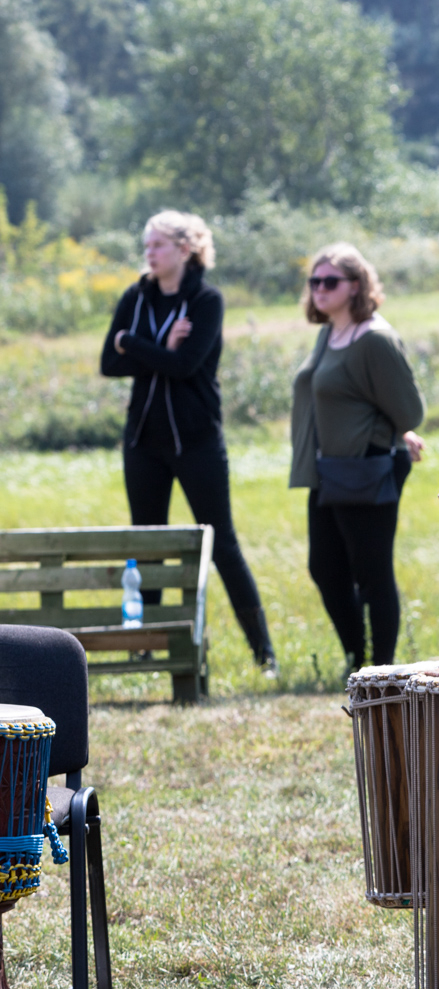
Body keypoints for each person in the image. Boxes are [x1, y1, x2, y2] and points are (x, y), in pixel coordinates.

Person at [100, 211, 277, 674]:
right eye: (147, 245)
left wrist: (132, 343)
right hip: (143, 441)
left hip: (196, 441)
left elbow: (185, 367)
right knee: (149, 543)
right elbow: (107, 362)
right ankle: (144, 646)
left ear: (185, 249)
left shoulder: (205, 301)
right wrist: (156, 343)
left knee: (221, 545)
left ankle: (264, 655)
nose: (149, 254)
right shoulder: (135, 297)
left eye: (158, 245)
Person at [288, 243, 426, 673]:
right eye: (314, 282)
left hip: (366, 467)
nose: (320, 289)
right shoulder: (329, 332)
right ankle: (357, 658)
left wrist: (393, 432)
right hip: (328, 469)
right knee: (325, 569)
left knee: (371, 573)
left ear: (356, 285)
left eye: (330, 281)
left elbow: (409, 410)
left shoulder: (375, 339)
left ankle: (379, 670)